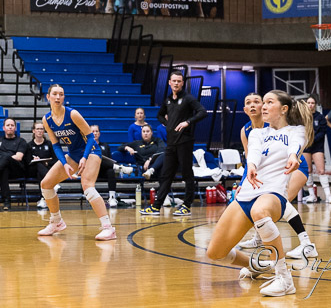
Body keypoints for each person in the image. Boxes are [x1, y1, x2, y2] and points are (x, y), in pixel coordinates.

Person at [206, 90, 313, 297]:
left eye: (269, 102)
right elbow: (253, 152)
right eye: (263, 102)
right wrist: (252, 165)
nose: (263, 106)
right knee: (215, 252)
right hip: (246, 194)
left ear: (284, 109)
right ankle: (257, 266)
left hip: (272, 193)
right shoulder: (256, 133)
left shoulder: (296, 130)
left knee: (260, 211)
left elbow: (296, 145)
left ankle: (284, 279)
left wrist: (293, 155)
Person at [236, 92, 319, 261]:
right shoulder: (246, 131)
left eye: (257, 102)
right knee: (259, 202)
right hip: (269, 170)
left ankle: (307, 244)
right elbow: (251, 161)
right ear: (244, 109)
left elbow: (294, 142)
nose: (253, 105)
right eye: (248, 102)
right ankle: (259, 238)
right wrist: (244, 182)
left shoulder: (272, 122)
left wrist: (293, 155)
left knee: (280, 201)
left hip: (293, 165)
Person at [37, 84, 116, 240]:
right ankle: (57, 222)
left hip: (91, 151)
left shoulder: (72, 114)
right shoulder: (46, 119)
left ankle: (108, 228)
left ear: (64, 97)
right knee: (46, 184)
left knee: (87, 186)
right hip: (73, 154)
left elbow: (91, 137)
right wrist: (64, 163)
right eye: (55, 94)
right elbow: (56, 145)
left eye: (61, 94)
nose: (58, 97)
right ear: (48, 96)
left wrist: (84, 157)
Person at [139, 71, 207, 216]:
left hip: (185, 141)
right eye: (174, 81)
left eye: (179, 81)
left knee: (187, 174)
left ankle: (186, 206)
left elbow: (202, 112)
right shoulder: (168, 100)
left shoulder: (188, 98)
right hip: (171, 143)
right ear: (169, 82)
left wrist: (188, 122)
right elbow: (159, 115)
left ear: (182, 83)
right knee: (166, 175)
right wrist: (168, 123)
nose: (176, 83)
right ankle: (156, 207)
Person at [301, 95, 331, 203]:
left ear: (315, 105)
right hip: (306, 147)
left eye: (312, 103)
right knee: (308, 170)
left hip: (317, 146)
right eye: (309, 103)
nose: (310, 105)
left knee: (321, 170)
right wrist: (305, 141)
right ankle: (312, 195)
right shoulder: (302, 117)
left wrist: (311, 140)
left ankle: (328, 195)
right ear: (306, 104)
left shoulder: (320, 117)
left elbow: (322, 132)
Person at [93, 124, 135, 207]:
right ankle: (120, 167)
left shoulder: (105, 145)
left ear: (99, 133)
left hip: (103, 170)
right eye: (93, 131)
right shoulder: (87, 146)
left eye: (96, 131)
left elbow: (109, 160)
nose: (95, 133)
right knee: (97, 158)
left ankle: (112, 197)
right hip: (92, 171)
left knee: (111, 171)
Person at [27, 122, 56, 209]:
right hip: (32, 170)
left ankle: (43, 199)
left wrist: (47, 163)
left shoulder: (49, 144)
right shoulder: (29, 145)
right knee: (38, 164)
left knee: (40, 172)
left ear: (44, 131)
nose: (40, 131)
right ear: (33, 131)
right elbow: (27, 161)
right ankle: (52, 183)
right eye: (37, 129)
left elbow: (55, 159)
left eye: (41, 129)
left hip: (46, 169)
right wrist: (34, 160)